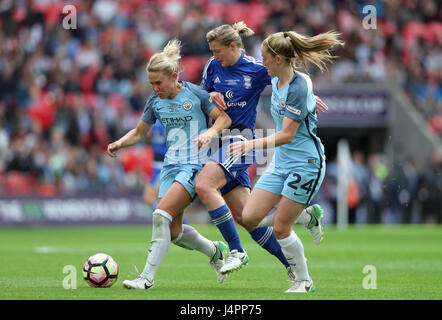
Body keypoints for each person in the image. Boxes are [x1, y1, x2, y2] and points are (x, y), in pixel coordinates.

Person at [195, 22, 326, 277]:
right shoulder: (212, 66)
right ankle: (292, 261)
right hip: (219, 145)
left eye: (218, 51)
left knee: (204, 185)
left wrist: (310, 96)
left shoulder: (258, 69)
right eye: (211, 51)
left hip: (240, 141)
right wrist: (210, 94)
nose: (214, 56)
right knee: (248, 218)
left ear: (233, 46)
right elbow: (203, 94)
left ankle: (236, 251)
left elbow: (289, 78)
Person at [107, 39, 232, 290]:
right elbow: (140, 132)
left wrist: (210, 133)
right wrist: (120, 143)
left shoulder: (195, 94)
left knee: (160, 215)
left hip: (194, 166)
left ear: (174, 76)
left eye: (158, 83)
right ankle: (215, 251)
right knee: (173, 232)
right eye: (151, 83)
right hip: (170, 167)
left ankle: (146, 278)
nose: (155, 88)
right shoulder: (155, 100)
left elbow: (224, 118)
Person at [227, 30, 344, 292]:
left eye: (265, 58)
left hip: (306, 164)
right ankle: (306, 217)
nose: (262, 62)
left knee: (280, 227)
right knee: (248, 217)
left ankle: (304, 280)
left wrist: (250, 144)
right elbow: (304, 94)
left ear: (278, 59)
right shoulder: (283, 80)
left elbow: (288, 134)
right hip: (281, 164)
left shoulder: (298, 85)